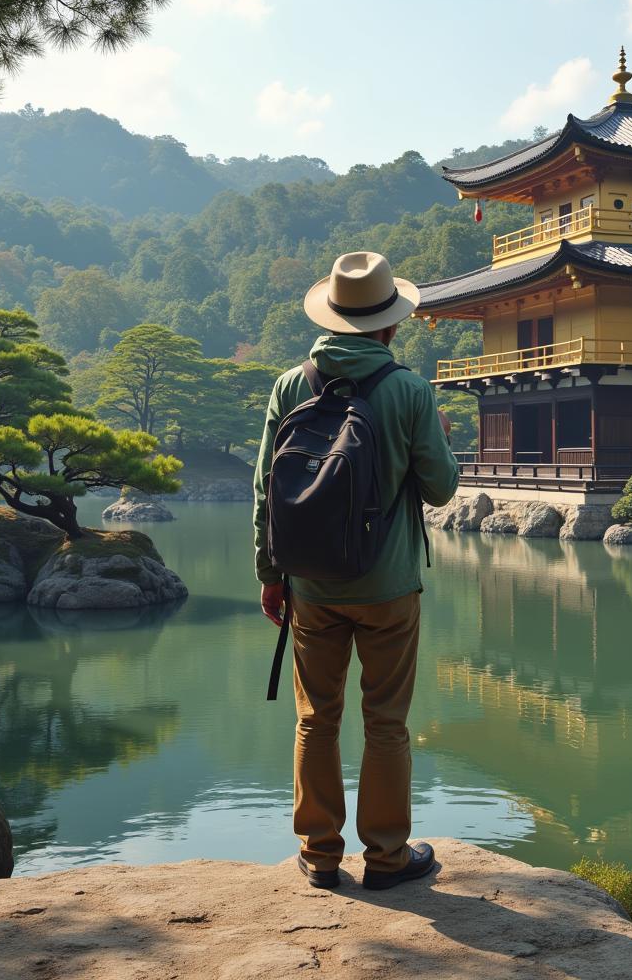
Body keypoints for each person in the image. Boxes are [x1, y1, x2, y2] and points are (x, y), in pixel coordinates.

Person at [253, 250, 460, 891]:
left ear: (333, 316)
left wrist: (269, 573)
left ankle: (319, 856)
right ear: (389, 325)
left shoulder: (292, 385)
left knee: (316, 717)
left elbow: (266, 487)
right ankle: (388, 859)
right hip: (389, 585)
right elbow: (442, 488)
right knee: (387, 721)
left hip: (310, 586)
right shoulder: (407, 390)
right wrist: (438, 437)